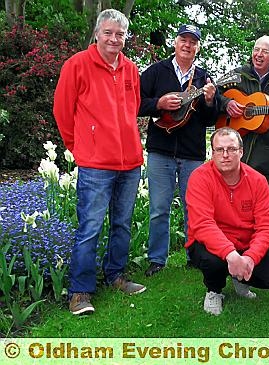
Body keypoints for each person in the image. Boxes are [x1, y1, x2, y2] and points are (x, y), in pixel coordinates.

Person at [53, 9, 146, 315]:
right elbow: (62, 111)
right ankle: (80, 291)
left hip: (130, 161)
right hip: (95, 164)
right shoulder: (77, 65)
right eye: (108, 33)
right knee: (90, 227)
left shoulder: (131, 69)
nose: (113, 39)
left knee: (121, 224)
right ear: (96, 34)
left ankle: (116, 275)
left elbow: (131, 111)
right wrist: (78, 148)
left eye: (119, 34)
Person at [185, 127, 269, 315]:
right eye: (219, 150)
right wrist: (231, 255)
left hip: (244, 244)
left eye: (232, 149)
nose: (225, 155)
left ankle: (240, 278)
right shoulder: (200, 178)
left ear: (241, 152)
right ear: (212, 152)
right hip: (210, 244)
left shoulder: (257, 180)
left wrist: (251, 258)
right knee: (213, 261)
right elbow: (203, 224)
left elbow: (266, 227)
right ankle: (214, 290)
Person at [138, 24, 218, 276]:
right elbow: (136, 103)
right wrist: (158, 103)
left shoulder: (205, 78)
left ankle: (194, 256)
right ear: (175, 43)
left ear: (198, 47)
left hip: (191, 152)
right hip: (160, 150)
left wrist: (208, 101)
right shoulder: (155, 72)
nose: (187, 45)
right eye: (184, 40)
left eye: (193, 42)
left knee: (192, 207)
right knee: (159, 208)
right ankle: (157, 260)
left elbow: (209, 119)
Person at [218, 35, 269, 186]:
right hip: (232, 152)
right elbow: (214, 93)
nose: (259, 54)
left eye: (264, 51)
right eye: (256, 50)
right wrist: (227, 103)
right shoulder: (237, 75)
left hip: (263, 158)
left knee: (258, 206)